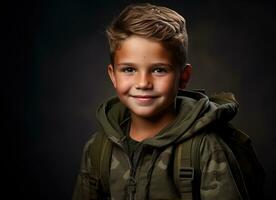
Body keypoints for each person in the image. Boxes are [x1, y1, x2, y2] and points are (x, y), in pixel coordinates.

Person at [73, 3, 264, 200]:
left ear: (183, 76)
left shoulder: (205, 148)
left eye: (159, 70)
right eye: (129, 69)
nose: (143, 83)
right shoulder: (98, 149)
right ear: (113, 76)